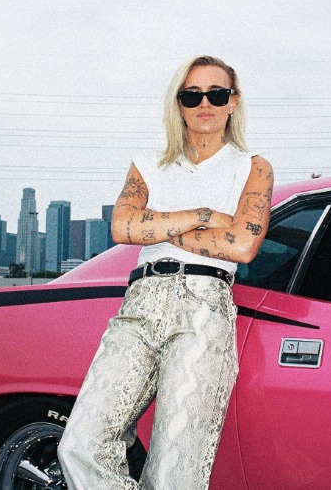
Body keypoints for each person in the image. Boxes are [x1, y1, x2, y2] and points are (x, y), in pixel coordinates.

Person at [58, 55, 273, 489]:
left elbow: (242, 245)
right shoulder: (148, 164)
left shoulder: (253, 167)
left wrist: (159, 227)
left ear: (233, 102)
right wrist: (203, 215)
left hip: (204, 304)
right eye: (192, 96)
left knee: (176, 471)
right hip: (140, 303)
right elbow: (122, 227)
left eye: (217, 94)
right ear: (178, 103)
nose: (205, 104)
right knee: (79, 445)